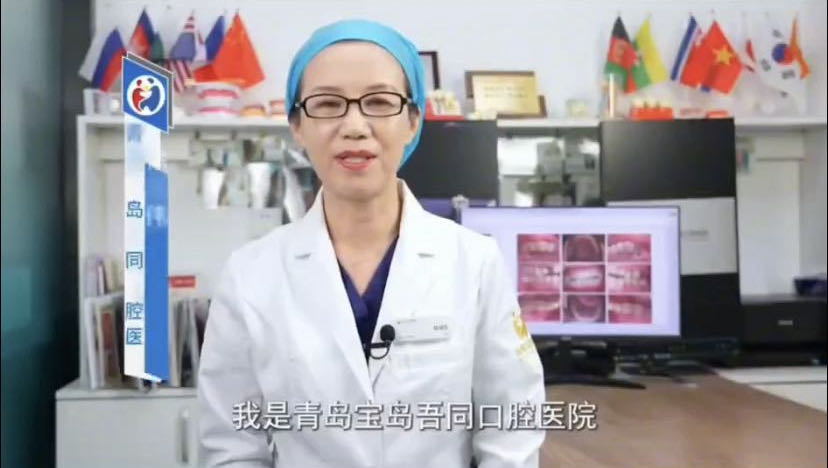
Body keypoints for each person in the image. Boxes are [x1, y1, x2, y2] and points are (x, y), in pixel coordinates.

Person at [198, 18, 546, 468]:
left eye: (379, 102)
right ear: (297, 125)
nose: (355, 126)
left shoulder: (474, 262)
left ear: (413, 121)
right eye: (328, 104)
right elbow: (232, 447)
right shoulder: (250, 275)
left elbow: (511, 428)